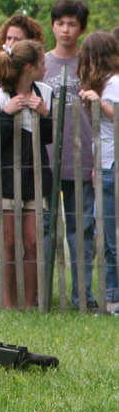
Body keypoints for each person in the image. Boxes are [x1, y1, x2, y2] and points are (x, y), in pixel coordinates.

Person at [0, 39, 53, 309]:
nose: (45, 66)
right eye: (41, 62)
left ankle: (29, 302)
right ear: (29, 67)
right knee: (7, 241)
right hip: (5, 178)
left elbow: (48, 139)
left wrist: (44, 114)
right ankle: (8, 302)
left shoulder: (47, 93)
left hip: (35, 177)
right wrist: (6, 115)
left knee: (32, 242)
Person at [45, 0, 96, 308]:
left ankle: (83, 295)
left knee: (82, 231)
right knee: (46, 229)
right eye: (60, 23)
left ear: (82, 29)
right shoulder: (41, 62)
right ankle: (41, 295)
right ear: (53, 25)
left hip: (83, 159)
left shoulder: (89, 64)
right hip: (48, 158)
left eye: (72, 24)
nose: (65, 30)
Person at [77, 31, 119, 313]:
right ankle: (112, 297)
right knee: (105, 237)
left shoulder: (114, 83)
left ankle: (115, 299)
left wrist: (98, 102)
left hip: (112, 165)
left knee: (112, 237)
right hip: (102, 164)